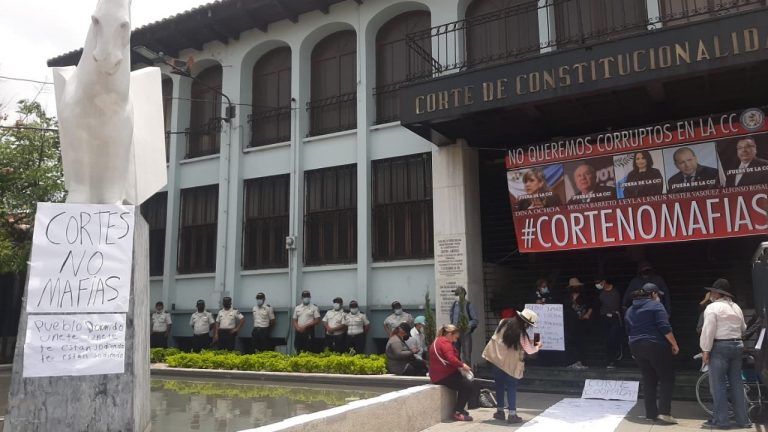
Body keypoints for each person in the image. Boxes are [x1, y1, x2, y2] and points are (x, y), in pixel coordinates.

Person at [625, 283, 680, 424]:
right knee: (667, 378)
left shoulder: (630, 309)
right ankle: (664, 413)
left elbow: (628, 331)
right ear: (653, 294)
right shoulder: (656, 306)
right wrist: (674, 344)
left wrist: (633, 350)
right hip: (655, 345)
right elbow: (664, 327)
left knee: (649, 379)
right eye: (658, 295)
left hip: (636, 346)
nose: (659, 297)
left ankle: (650, 413)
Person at [699, 278, 751, 429]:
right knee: (736, 383)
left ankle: (721, 421)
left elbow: (708, 330)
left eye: (712, 291)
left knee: (718, 385)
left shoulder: (712, 308)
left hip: (720, 346)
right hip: (737, 345)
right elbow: (743, 328)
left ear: (716, 293)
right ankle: (743, 420)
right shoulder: (736, 307)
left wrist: (705, 350)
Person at [482, 309, 542, 424]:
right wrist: (538, 345)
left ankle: (500, 412)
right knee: (511, 387)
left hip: (497, 360)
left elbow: (504, 338)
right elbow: (529, 350)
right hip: (511, 364)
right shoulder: (521, 333)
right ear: (526, 323)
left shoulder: (503, 322)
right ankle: (512, 414)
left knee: (499, 385)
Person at [429, 324, 475, 422]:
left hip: (438, 375)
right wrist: (463, 365)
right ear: (450, 334)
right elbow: (451, 359)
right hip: (443, 375)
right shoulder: (445, 343)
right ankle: (458, 412)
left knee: (464, 383)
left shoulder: (437, 340)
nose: (455, 341)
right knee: (468, 385)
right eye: (455, 337)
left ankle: (460, 409)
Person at [596, 276, 623, 369]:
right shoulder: (600, 292)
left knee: (613, 338)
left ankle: (615, 359)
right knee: (607, 339)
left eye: (599, 283)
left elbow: (615, 305)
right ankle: (609, 360)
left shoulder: (615, 291)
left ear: (604, 281)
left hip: (614, 317)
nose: (598, 285)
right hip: (604, 317)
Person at [565, 277, 591, 369]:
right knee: (571, 343)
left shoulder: (584, 296)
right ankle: (572, 361)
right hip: (570, 324)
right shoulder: (567, 297)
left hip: (581, 323)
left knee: (581, 343)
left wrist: (587, 314)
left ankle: (582, 362)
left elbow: (591, 306)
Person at [449, 287, 478, 362]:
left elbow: (475, 320)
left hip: (465, 334)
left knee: (467, 356)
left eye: (458, 294)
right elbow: (452, 317)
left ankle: (468, 372)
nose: (457, 296)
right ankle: (457, 372)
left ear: (462, 294)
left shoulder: (469, 305)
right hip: (455, 333)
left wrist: (466, 325)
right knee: (455, 355)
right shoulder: (454, 304)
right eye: (456, 294)